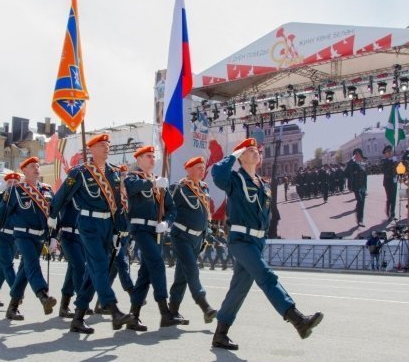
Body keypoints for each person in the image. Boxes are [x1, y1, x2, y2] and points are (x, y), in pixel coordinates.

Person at [211, 138, 323, 350]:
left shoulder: (262, 184)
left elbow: (266, 214)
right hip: (241, 239)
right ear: (241, 156)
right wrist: (234, 154)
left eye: (256, 150)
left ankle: (220, 334)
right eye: (249, 150)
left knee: (239, 289)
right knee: (266, 276)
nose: (255, 153)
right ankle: (298, 319)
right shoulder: (235, 179)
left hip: (256, 241)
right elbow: (217, 174)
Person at [48, 134, 134, 334]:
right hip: (88, 223)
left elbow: (117, 205)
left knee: (91, 272)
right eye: (102, 145)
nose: (107, 148)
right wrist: (53, 216)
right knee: (100, 266)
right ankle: (114, 311)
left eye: (108, 145)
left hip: (107, 225)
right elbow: (62, 195)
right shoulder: (81, 172)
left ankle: (77, 318)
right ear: (92, 149)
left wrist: (118, 231)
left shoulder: (113, 173)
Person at [124, 145, 185, 331]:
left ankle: (133, 316)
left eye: (153, 156)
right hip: (140, 228)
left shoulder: (160, 182)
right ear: (139, 160)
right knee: (157, 263)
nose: (152, 159)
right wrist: (153, 183)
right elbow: (131, 188)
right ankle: (164, 311)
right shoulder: (132, 177)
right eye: (147, 156)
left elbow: (171, 209)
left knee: (146, 273)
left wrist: (166, 223)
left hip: (156, 231)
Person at [0, 156, 57, 320]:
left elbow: (55, 214)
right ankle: (43, 296)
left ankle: (12, 307)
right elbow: (2, 212)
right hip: (22, 234)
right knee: (32, 264)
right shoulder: (15, 190)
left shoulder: (47, 190)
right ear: (24, 171)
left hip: (40, 236)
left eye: (37, 165)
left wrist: (54, 237)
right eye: (32, 166)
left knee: (24, 272)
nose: (36, 168)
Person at [168, 156, 217, 325]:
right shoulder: (178, 188)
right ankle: (205, 307)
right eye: (198, 167)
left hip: (198, 238)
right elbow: (166, 208)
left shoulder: (204, 188)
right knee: (192, 270)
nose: (202, 170)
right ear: (188, 169)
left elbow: (204, 215)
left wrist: (207, 234)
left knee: (182, 275)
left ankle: (172, 311)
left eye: (203, 168)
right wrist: (163, 223)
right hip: (181, 236)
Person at [0, 172, 22, 307]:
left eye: (15, 182)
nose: (13, 184)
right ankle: (16, 291)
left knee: (3, 267)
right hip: (0, 235)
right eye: (10, 182)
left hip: (15, 236)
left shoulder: (21, 198)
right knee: (7, 264)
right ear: (6, 184)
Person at [345, 148, 368, 227]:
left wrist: (366, 188)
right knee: (360, 201)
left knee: (362, 203)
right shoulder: (352, 165)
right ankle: (360, 220)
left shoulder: (364, 164)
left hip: (363, 187)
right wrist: (351, 160)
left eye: (359, 154)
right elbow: (346, 172)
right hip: (356, 187)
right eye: (356, 155)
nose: (358, 156)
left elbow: (365, 177)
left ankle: (360, 217)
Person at [380, 145, 398, 220]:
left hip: (394, 181)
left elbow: (398, 170)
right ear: (385, 154)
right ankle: (388, 213)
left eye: (390, 151)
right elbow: (385, 170)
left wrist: (396, 163)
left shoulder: (394, 160)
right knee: (389, 198)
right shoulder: (384, 161)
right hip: (387, 182)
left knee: (394, 198)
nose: (389, 153)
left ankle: (393, 214)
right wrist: (392, 162)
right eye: (387, 152)